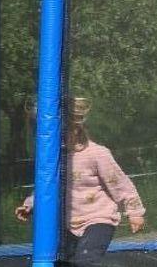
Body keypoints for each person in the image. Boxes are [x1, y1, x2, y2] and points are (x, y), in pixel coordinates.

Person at [15, 96, 145, 257]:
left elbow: (121, 185)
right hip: (68, 224)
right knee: (65, 264)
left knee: (85, 260)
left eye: (60, 132)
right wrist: (30, 205)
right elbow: (45, 188)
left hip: (98, 219)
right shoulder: (52, 158)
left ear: (75, 128)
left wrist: (135, 213)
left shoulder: (96, 154)